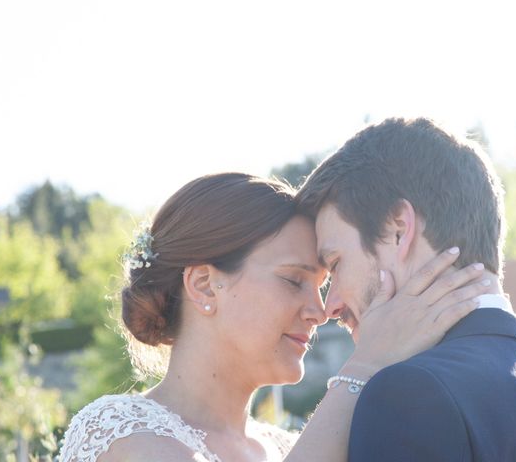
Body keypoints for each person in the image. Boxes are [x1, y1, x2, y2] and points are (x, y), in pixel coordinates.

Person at [58, 172, 488, 462]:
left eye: (321, 285)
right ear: (205, 285)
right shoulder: (119, 436)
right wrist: (367, 364)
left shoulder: (287, 447)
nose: (320, 312)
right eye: (293, 280)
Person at [297, 117, 516, 461]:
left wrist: (359, 372)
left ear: (398, 230)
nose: (331, 307)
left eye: (336, 263)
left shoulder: (408, 395)